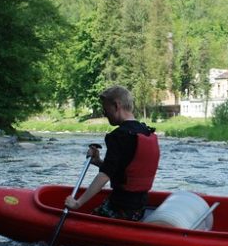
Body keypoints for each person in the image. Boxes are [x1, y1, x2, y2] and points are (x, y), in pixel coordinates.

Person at [64, 85, 160, 221]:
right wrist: (97, 162)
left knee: (88, 217)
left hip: (120, 208)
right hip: (139, 208)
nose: (104, 114)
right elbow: (124, 170)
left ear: (116, 105)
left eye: (105, 109)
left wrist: (77, 203)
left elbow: (105, 175)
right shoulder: (146, 131)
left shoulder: (119, 136)